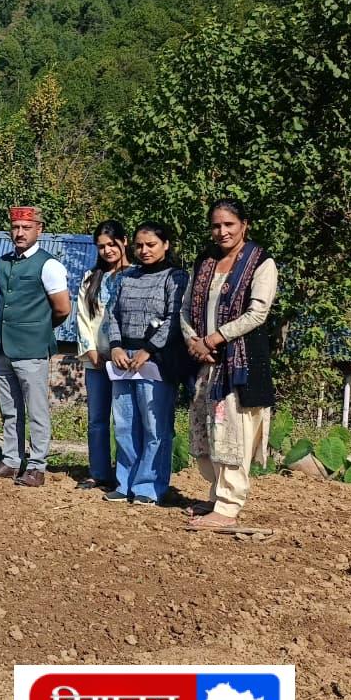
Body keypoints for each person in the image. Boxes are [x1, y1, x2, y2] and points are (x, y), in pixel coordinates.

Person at [182, 199, 278, 530]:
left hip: (239, 365)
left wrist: (214, 338)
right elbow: (185, 308)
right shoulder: (205, 262)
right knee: (209, 433)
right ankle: (216, 496)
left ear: (244, 225)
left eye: (229, 225)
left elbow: (257, 312)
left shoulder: (260, 262)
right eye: (216, 225)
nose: (222, 231)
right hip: (206, 364)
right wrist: (194, 341)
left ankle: (228, 505)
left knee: (233, 433)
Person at [0, 206, 70, 488]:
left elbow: (62, 308)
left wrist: (38, 328)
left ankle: (37, 466)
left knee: (36, 410)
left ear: (38, 230)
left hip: (32, 349)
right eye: (16, 228)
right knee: (9, 409)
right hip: (4, 347)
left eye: (26, 228)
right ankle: (11, 460)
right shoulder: (4, 261)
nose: (19, 233)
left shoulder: (49, 265)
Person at [103, 222, 188, 506]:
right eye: (139, 245)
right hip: (123, 359)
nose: (144, 250)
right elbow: (113, 314)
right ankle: (124, 481)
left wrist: (148, 350)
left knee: (154, 426)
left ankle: (149, 486)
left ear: (166, 245)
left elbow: (174, 318)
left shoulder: (175, 277)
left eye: (151, 245)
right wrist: (116, 346)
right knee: (124, 424)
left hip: (155, 360)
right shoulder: (127, 277)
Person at [74, 220, 131, 491]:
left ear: (124, 241)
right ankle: (98, 472)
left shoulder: (136, 276)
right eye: (101, 246)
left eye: (112, 244)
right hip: (96, 359)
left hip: (127, 361)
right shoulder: (90, 278)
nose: (107, 250)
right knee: (97, 419)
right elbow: (82, 317)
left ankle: (125, 474)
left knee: (125, 420)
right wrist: (91, 351)